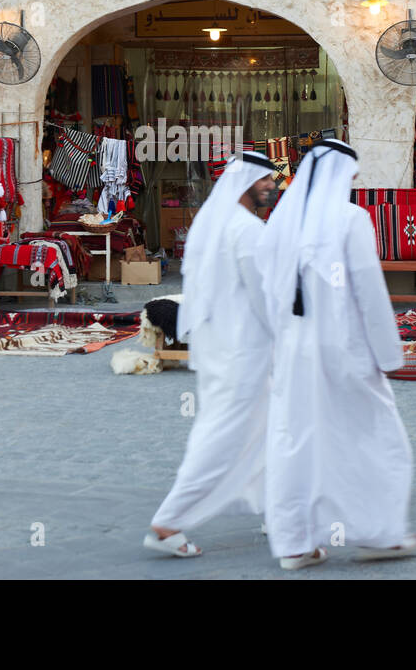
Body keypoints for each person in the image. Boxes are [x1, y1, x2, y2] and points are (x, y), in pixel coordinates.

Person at [255, 138, 416, 571]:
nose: (356, 178)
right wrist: (389, 355)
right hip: (344, 351)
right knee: (379, 437)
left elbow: (266, 293)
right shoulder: (351, 219)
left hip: (292, 353)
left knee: (296, 441)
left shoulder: (279, 224)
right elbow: (368, 290)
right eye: (351, 172)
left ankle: (294, 544)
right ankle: (380, 532)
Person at [145, 151, 279, 558]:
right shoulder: (246, 230)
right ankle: (168, 522)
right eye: (264, 181)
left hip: (223, 347)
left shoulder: (218, 222)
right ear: (245, 184)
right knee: (221, 439)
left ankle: (279, 513)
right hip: (243, 352)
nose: (271, 186)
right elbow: (265, 299)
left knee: (266, 432)